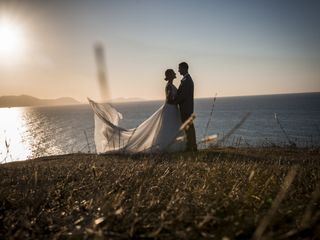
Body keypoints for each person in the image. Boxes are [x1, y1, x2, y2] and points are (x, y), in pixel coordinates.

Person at [88, 69, 186, 154]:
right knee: (167, 128)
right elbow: (169, 99)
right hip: (170, 109)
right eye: (173, 72)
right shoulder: (169, 86)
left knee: (170, 127)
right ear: (169, 76)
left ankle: (170, 145)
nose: (174, 73)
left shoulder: (171, 85)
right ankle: (165, 145)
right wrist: (178, 100)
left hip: (172, 109)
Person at [172, 62, 197, 151]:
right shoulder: (186, 79)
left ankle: (191, 146)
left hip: (186, 108)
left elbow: (183, 95)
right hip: (186, 108)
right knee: (188, 128)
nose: (178, 70)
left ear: (184, 68)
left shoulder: (187, 80)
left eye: (179, 68)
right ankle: (191, 145)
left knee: (189, 128)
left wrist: (174, 102)